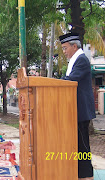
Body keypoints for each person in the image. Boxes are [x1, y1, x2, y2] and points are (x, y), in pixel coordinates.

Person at [59, 32, 96, 180]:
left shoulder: (81, 60)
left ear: (74, 46)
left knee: (83, 147)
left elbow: (71, 80)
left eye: (65, 48)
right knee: (79, 146)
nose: (64, 52)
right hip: (75, 111)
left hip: (80, 111)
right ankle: (81, 175)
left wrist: (57, 81)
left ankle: (87, 176)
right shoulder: (77, 59)